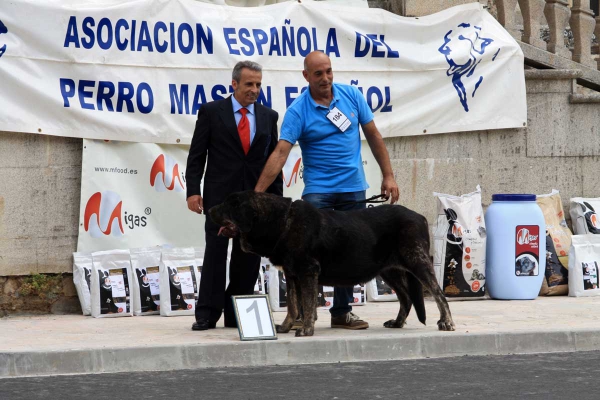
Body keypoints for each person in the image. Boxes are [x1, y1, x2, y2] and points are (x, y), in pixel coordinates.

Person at [254, 51, 399, 330]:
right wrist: (259, 194)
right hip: (318, 193)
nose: (325, 78)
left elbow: (374, 135)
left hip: (354, 188)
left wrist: (389, 175)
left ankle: (341, 312)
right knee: (304, 255)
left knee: (351, 251)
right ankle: (303, 314)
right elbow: (281, 152)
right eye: (318, 73)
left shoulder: (352, 96)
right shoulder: (298, 110)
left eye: (329, 71)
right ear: (306, 76)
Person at [186, 60, 283, 331]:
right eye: (249, 84)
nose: (254, 90)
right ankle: (207, 314)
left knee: (248, 258)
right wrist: (193, 191)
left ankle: (236, 313)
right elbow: (196, 156)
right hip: (219, 200)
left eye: (258, 84)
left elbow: (274, 160)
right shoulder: (211, 111)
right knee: (216, 255)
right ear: (235, 84)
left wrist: (276, 201)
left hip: (254, 202)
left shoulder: (268, 116)